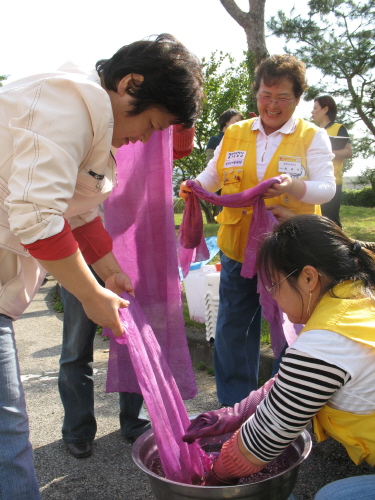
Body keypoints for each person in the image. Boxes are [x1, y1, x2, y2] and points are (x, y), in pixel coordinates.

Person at [0, 33, 203, 498]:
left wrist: (108, 268)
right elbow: (37, 218)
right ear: (131, 83)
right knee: (8, 436)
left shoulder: (89, 122)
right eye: (153, 124)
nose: (145, 139)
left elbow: (80, 213)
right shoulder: (66, 104)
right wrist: (91, 296)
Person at [179, 54, 335, 408]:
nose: (273, 104)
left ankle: (284, 410)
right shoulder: (235, 133)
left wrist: (293, 187)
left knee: (288, 331)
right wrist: (194, 186)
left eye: (282, 97)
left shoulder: (312, 136)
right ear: (257, 94)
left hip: (290, 253)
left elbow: (327, 188)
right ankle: (235, 408)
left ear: (297, 100)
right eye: (266, 94)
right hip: (237, 250)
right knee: (233, 330)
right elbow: (213, 175)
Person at [183, 214, 375, 492]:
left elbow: (261, 440)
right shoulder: (360, 297)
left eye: (274, 285)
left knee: (334, 496)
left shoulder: (327, 340)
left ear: (309, 277)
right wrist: (237, 412)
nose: (271, 297)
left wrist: (215, 479)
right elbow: (298, 383)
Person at [59, 125, 196, 459]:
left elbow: (176, 150)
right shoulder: (86, 122)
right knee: (77, 343)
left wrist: (184, 115)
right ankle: (78, 428)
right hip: (79, 247)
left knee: (135, 334)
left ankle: (133, 421)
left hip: (132, 249)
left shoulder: (147, 124)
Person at [311, 95, 353, 227]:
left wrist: (328, 153)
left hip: (333, 182)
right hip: (313, 182)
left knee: (331, 221)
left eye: (315, 108)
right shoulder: (313, 131)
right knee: (316, 220)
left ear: (325, 109)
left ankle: (341, 247)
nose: (312, 112)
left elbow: (349, 152)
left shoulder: (339, 128)